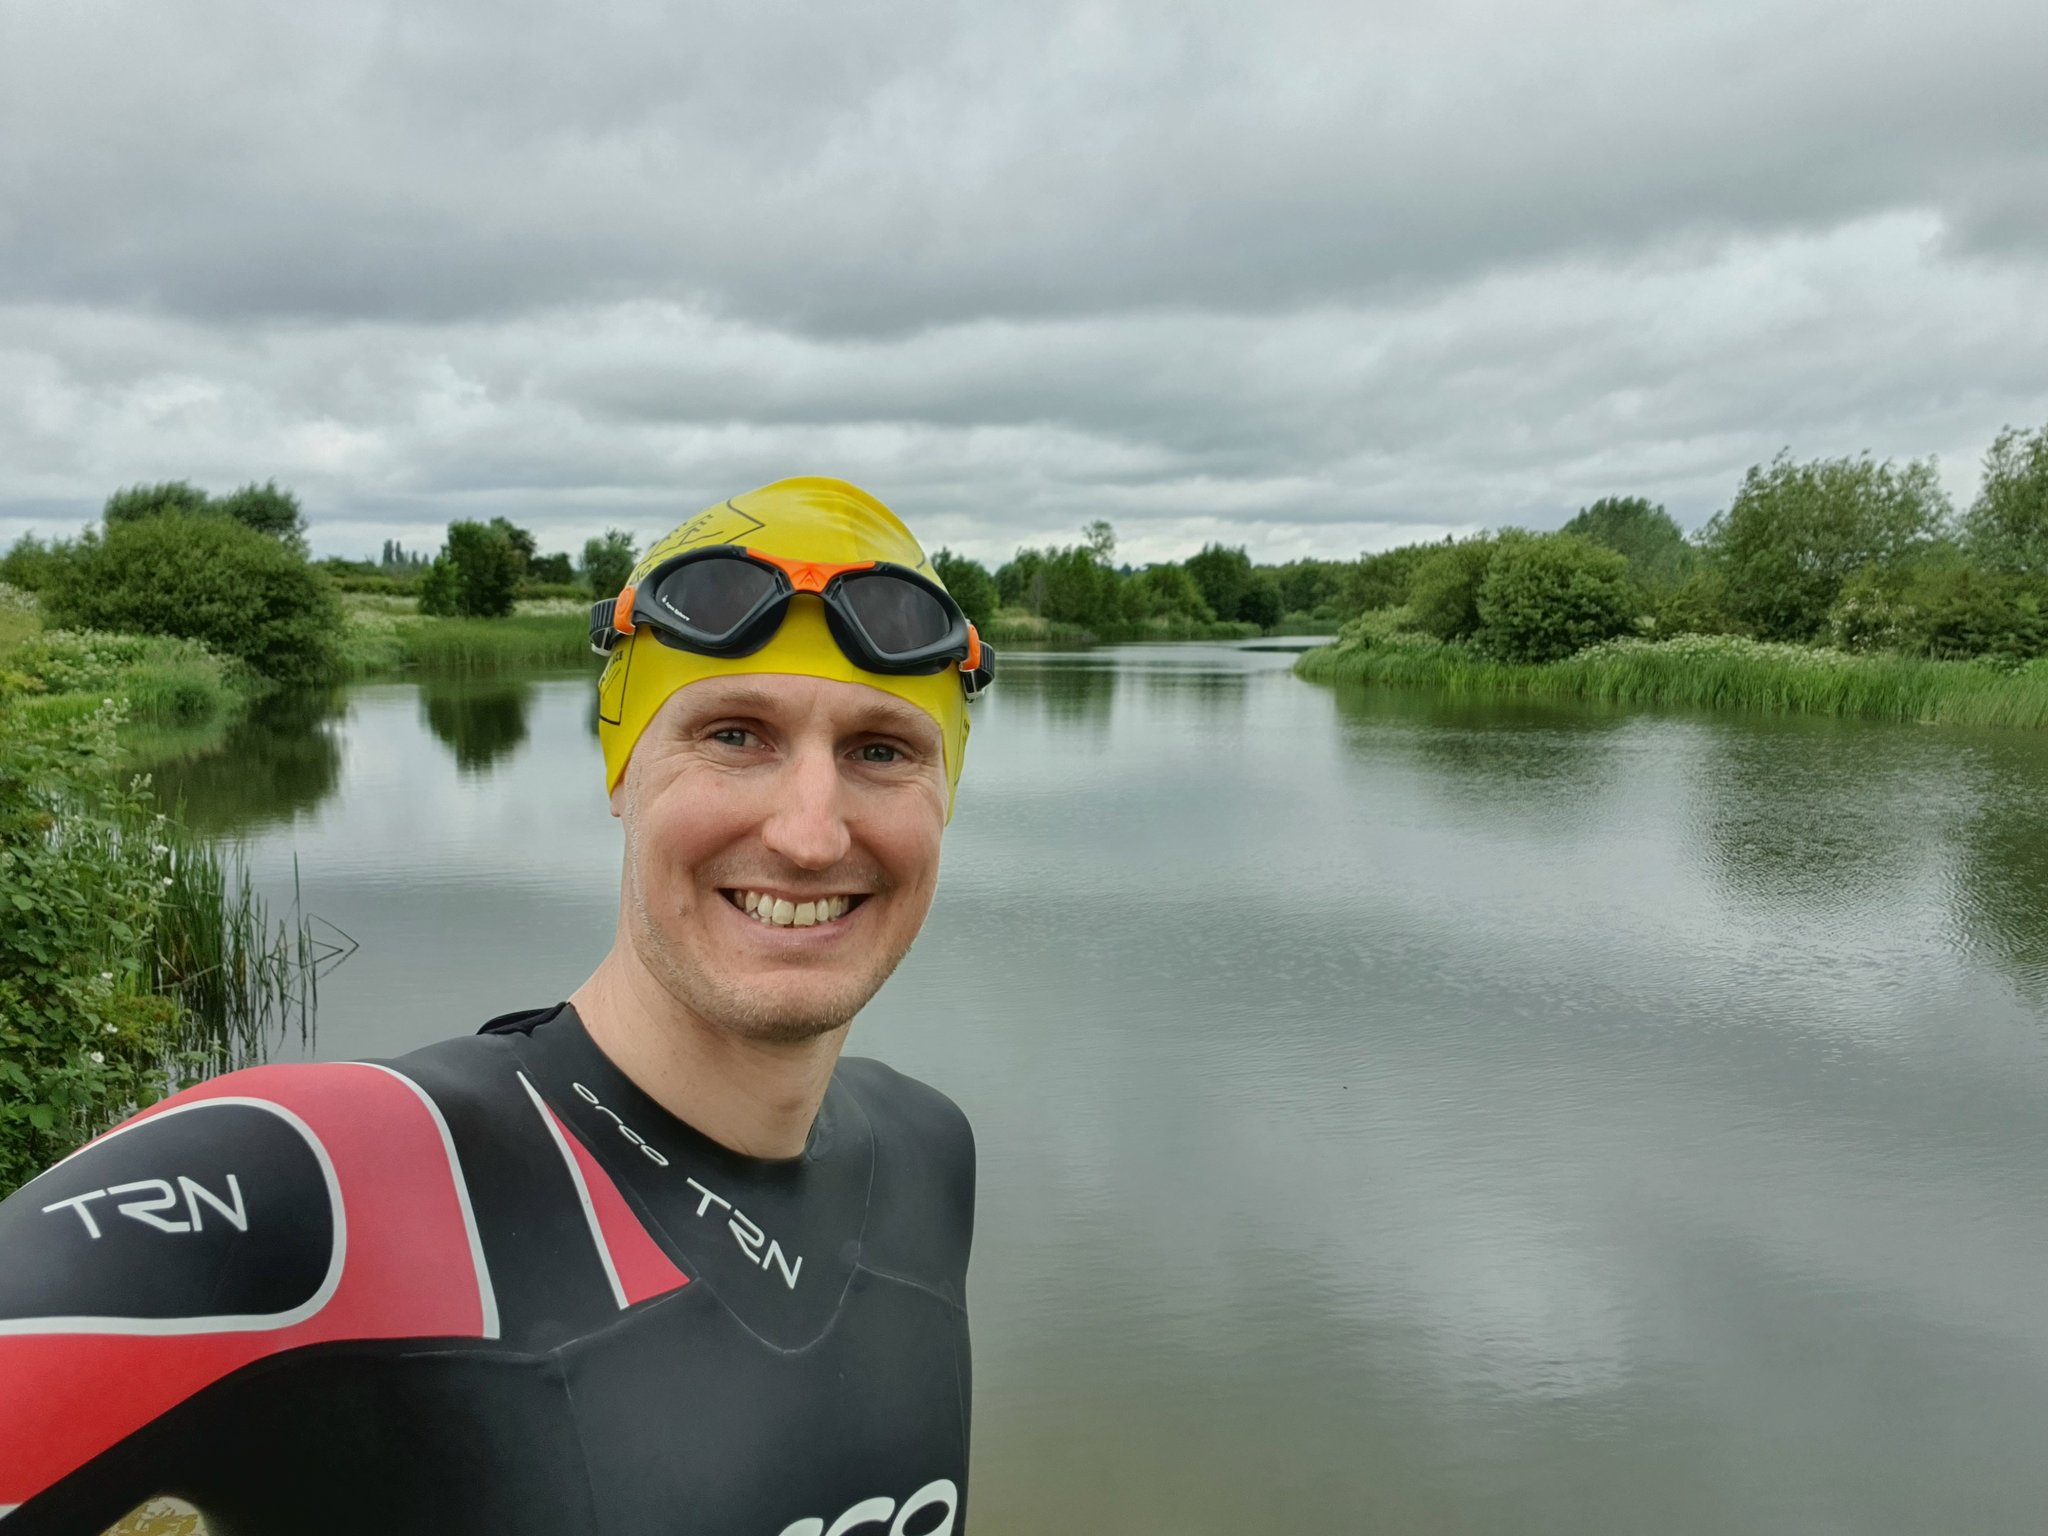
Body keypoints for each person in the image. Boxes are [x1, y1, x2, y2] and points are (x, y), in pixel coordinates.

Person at [0, 477, 996, 1536]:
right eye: (733, 735)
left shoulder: (925, 1152)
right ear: (625, 772)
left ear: (941, 795)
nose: (808, 833)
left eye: (881, 750)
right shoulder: (326, 1182)